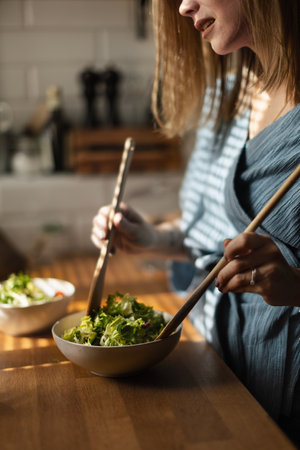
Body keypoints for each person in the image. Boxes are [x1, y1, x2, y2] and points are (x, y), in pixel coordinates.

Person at [91, 0, 300, 445]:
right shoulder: (229, 95)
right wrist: (150, 238)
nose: (184, 6)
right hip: (220, 373)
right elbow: (210, 238)